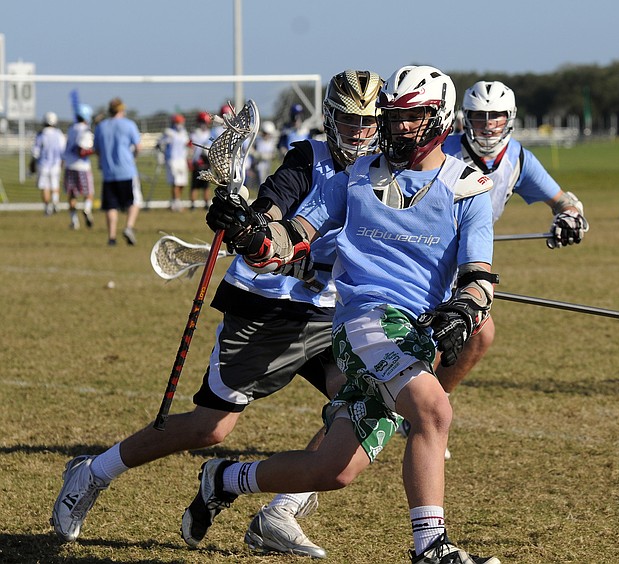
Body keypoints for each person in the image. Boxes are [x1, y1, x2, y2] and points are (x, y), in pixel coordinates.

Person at [50, 69, 384, 560]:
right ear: (330, 119)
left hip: (330, 311)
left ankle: (281, 511)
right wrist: (250, 226)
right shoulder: (306, 158)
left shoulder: (382, 167)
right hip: (269, 306)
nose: (358, 132)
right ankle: (91, 472)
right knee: (211, 428)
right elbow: (275, 208)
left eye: (368, 122)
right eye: (348, 121)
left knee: (365, 400)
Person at [181, 65, 501, 564]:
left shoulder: (468, 188)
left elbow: (480, 277)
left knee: (333, 470)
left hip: (413, 332)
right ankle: (431, 549)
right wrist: (248, 234)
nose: (398, 127)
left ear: (440, 117)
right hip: (365, 323)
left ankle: (223, 479)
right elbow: (283, 245)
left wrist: (464, 308)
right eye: (393, 117)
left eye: (412, 117)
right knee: (434, 411)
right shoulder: (354, 178)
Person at [437, 80, 587, 399]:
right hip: (421, 256)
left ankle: (430, 402)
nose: (488, 125)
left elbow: (564, 202)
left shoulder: (518, 158)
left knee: (479, 335)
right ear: (466, 118)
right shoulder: (440, 150)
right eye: (479, 116)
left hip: (466, 263)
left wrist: (570, 218)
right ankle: (415, 406)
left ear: (510, 118)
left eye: (496, 116)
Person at [93, 97, 142, 245]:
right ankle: (128, 227)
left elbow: (97, 149)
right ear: (121, 110)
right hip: (127, 170)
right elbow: (138, 147)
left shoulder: (101, 126)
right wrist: (133, 157)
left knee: (111, 205)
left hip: (109, 172)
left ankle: (112, 237)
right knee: (134, 201)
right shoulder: (129, 125)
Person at [63, 104, 96, 229]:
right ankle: (87, 209)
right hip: (82, 166)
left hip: (69, 166)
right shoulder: (85, 130)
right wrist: (95, 151)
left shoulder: (71, 128)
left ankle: (74, 221)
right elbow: (81, 151)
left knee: (72, 195)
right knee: (89, 193)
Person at [31, 111, 66, 216]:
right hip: (56, 164)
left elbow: (35, 152)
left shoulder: (41, 135)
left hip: (43, 165)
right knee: (55, 185)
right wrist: (62, 162)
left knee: (45, 186)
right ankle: (55, 203)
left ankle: (47, 208)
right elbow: (63, 150)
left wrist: (32, 163)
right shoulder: (59, 134)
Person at [157, 114, 191, 212]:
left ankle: (175, 202)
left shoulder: (184, 133)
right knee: (175, 182)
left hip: (182, 160)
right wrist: (162, 156)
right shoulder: (169, 133)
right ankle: (176, 204)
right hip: (172, 160)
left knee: (182, 182)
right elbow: (160, 144)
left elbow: (187, 145)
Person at [188, 111, 212, 210]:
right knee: (195, 185)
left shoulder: (210, 134)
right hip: (197, 162)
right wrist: (190, 160)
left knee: (206, 185)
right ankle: (193, 204)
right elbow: (190, 148)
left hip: (207, 162)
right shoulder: (194, 134)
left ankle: (206, 203)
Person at [251, 120, 279, 189]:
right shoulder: (258, 140)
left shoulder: (272, 143)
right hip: (258, 166)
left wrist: (268, 156)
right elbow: (252, 150)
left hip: (268, 166)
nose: (266, 135)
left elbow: (274, 154)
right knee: (258, 184)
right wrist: (257, 155)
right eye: (265, 133)